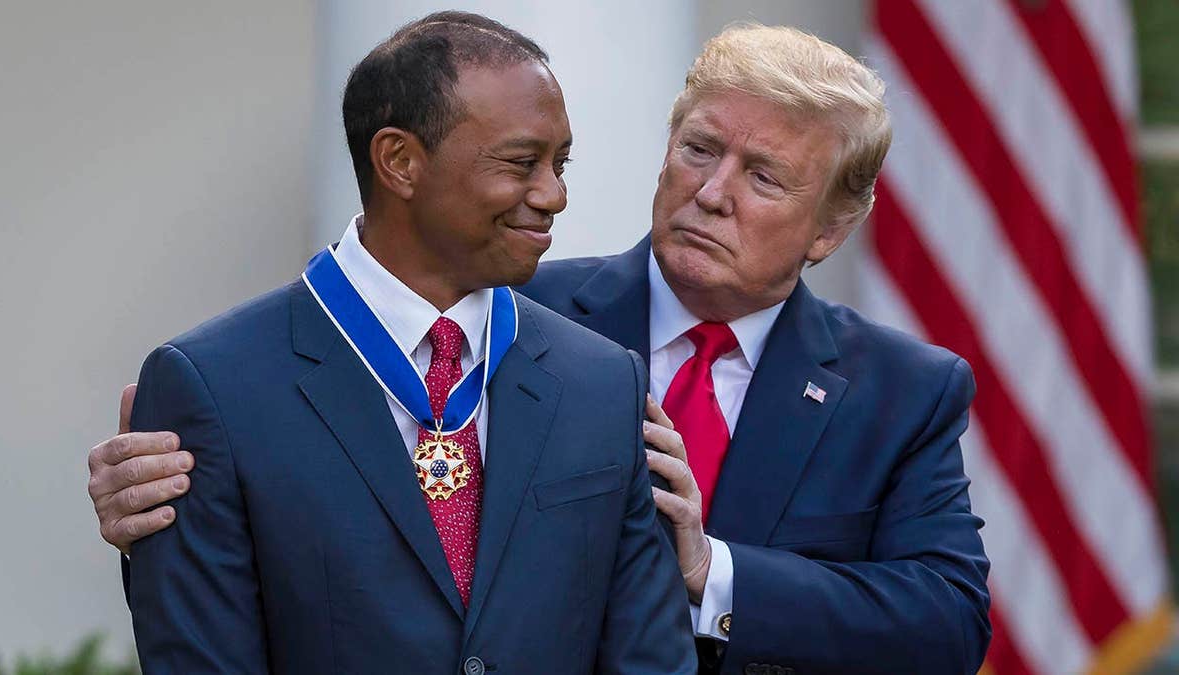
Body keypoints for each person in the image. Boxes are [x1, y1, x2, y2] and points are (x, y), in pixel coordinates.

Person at [90, 22, 991, 675]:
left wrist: (709, 571)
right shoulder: (499, 306)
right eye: (698, 149)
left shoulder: (905, 390)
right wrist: (191, 485)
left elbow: (947, 621)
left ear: (832, 225)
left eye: (762, 177)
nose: (712, 192)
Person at [108, 12, 696, 674]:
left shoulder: (603, 382)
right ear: (399, 161)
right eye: (522, 162)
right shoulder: (213, 387)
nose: (554, 194)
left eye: (559, 164)